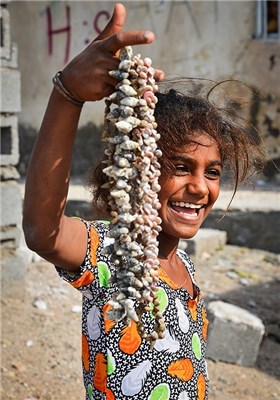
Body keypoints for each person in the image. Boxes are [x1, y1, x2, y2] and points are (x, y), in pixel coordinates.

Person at [22, 3, 264, 400]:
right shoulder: (113, 254)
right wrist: (67, 95)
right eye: (181, 167)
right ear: (139, 168)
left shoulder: (182, 264)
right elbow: (42, 231)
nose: (201, 187)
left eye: (213, 171)